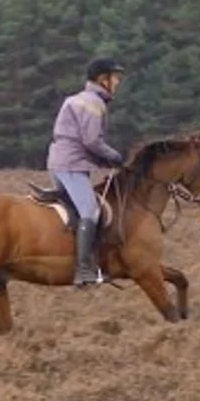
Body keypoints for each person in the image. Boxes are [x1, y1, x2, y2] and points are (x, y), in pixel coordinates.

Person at [46, 57, 126, 286]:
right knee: (90, 211)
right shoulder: (93, 103)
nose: (118, 81)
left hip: (60, 162)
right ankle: (83, 270)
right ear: (103, 79)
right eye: (115, 77)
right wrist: (113, 156)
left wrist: (102, 160)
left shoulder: (77, 99)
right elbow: (91, 141)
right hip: (71, 165)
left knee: (75, 212)